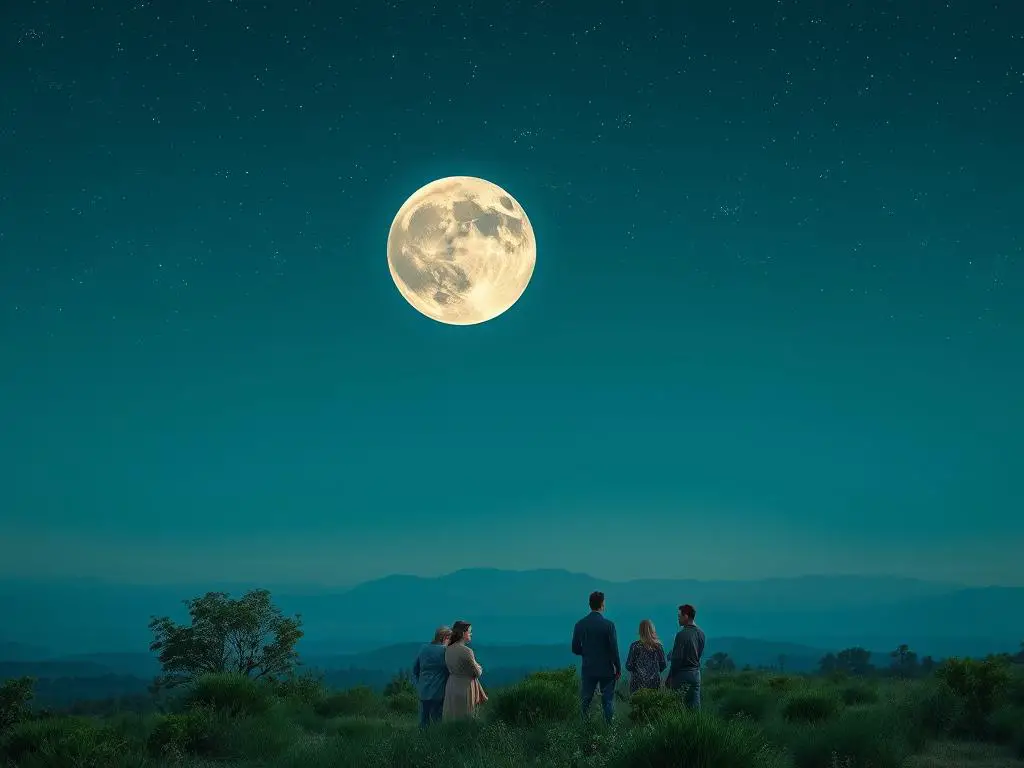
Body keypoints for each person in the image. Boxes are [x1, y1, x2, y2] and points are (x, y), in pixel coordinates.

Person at [571, 590, 621, 723]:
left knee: (585, 701)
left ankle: (582, 729)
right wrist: (618, 668)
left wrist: (587, 652)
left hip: (589, 668)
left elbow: (575, 648)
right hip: (607, 669)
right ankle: (610, 730)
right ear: (602, 605)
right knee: (608, 701)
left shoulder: (580, 624)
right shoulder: (609, 625)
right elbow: (614, 649)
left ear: (589, 605)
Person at [443, 620, 487, 721]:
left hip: (451, 685)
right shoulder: (467, 651)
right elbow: (477, 672)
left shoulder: (448, 649)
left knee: (451, 715)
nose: (471, 634)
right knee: (465, 716)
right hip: (465, 687)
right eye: (469, 631)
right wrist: (479, 667)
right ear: (463, 633)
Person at [666, 603, 706, 709]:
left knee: (678, 707)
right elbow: (699, 654)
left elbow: (676, 659)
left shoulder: (681, 635)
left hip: (681, 674)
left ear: (686, 616)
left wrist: (670, 677)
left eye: (679, 616)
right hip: (696, 674)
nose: (678, 619)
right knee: (695, 707)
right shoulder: (701, 634)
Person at [411, 625, 451, 727]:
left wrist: (418, 685)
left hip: (424, 691)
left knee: (423, 721)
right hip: (439, 692)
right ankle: (436, 741)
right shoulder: (445, 651)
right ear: (445, 638)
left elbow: (415, 670)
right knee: (438, 722)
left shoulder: (423, 649)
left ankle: (420, 741)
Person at [625, 618, 667, 694]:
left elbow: (629, 665)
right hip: (654, 683)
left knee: (637, 705)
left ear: (640, 631)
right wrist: (655, 671)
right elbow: (663, 664)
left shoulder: (635, 646)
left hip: (637, 684)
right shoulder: (658, 647)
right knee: (653, 704)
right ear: (652, 630)